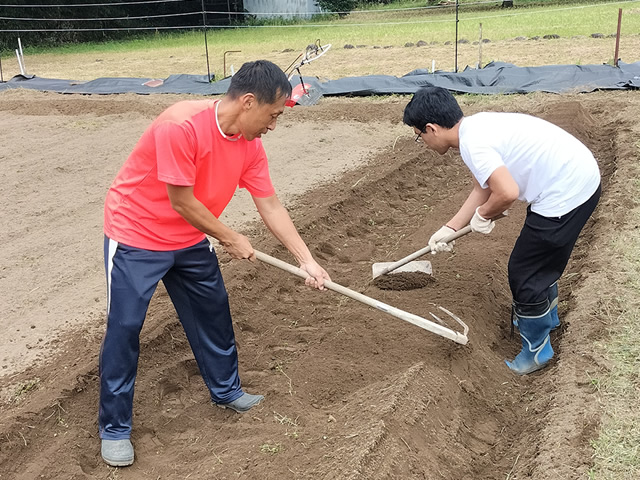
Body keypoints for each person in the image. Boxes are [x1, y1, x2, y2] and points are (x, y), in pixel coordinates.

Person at [99, 60, 331, 467]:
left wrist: (307, 260)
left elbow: (271, 205)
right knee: (125, 327)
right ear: (247, 102)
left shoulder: (250, 146)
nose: (274, 125)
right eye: (273, 115)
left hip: (189, 236)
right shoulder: (181, 125)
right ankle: (115, 427)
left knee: (213, 311)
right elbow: (181, 200)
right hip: (137, 234)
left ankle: (226, 391)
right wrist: (230, 237)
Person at [403, 86, 600, 376]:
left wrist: (484, 215)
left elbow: (507, 192)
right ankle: (548, 318)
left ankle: (537, 351)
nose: (423, 142)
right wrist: (451, 227)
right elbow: (483, 186)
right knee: (539, 259)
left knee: (524, 271)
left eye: (419, 135)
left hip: (565, 194)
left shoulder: (474, 144)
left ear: (431, 128)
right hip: (577, 180)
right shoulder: (474, 128)